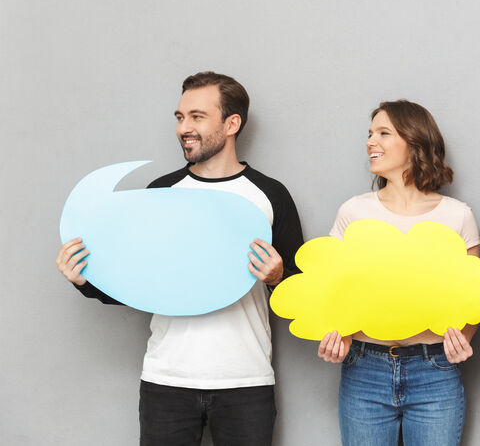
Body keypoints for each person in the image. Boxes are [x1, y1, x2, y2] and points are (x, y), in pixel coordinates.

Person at [54, 72, 304, 445]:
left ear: (232, 123)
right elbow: (136, 283)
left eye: (197, 117)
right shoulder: (161, 192)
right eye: (179, 117)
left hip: (246, 382)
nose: (183, 128)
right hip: (166, 382)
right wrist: (85, 281)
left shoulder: (270, 195)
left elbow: (299, 294)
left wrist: (277, 276)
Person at [316, 100, 479, 446]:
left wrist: (463, 339)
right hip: (364, 369)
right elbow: (332, 288)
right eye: (370, 133)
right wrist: (337, 336)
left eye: (383, 133)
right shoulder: (354, 211)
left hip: (435, 370)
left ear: (415, 141)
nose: (370, 142)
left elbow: (472, 295)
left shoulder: (457, 215)